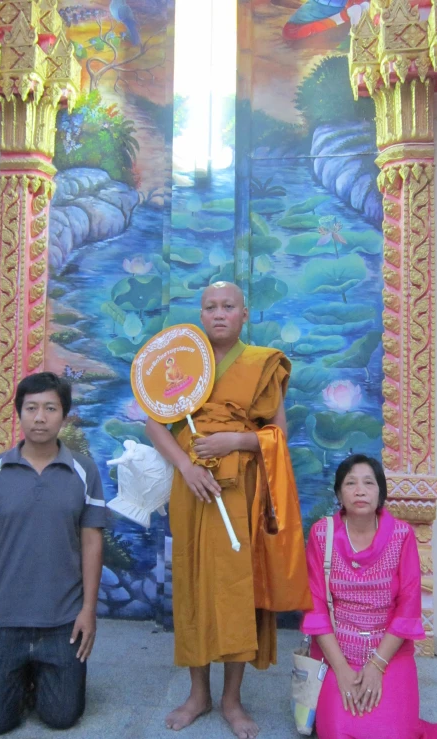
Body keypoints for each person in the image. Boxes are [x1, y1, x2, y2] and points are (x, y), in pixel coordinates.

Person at [146, 281, 309, 739]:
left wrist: (235, 440)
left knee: (239, 585)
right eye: (211, 306)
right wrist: (185, 466)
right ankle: (198, 694)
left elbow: (277, 434)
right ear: (200, 313)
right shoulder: (181, 363)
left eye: (228, 306)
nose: (219, 313)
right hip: (193, 486)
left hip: (242, 488)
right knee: (194, 580)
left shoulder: (262, 364)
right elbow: (154, 422)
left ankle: (231, 699)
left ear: (244, 314)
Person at [0, 372, 106, 735]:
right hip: (3, 619)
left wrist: (88, 611)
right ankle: (20, 677)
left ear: (64, 415)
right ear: (19, 413)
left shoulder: (84, 471)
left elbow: (92, 541)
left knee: (62, 717)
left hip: (62, 620)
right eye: (31, 408)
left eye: (49, 408)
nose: (39, 417)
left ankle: (39, 675)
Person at [301, 454, 437, 739]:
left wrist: (376, 666)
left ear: (380, 493)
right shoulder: (322, 534)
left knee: (391, 734)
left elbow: (408, 609)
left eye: (368, 483)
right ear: (339, 493)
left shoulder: (402, 535)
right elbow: (316, 609)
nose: (360, 490)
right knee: (336, 732)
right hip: (335, 650)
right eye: (350, 483)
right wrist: (342, 670)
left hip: (389, 652)